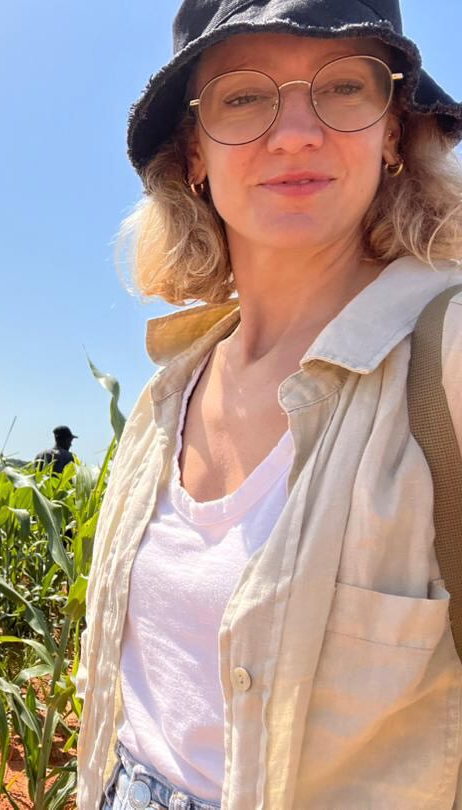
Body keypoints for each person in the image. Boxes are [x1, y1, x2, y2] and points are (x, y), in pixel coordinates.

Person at [76, 2, 462, 808]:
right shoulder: (169, 387)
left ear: (393, 133)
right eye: (244, 97)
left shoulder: (446, 355)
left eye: (344, 86)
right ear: (195, 154)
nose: (294, 134)